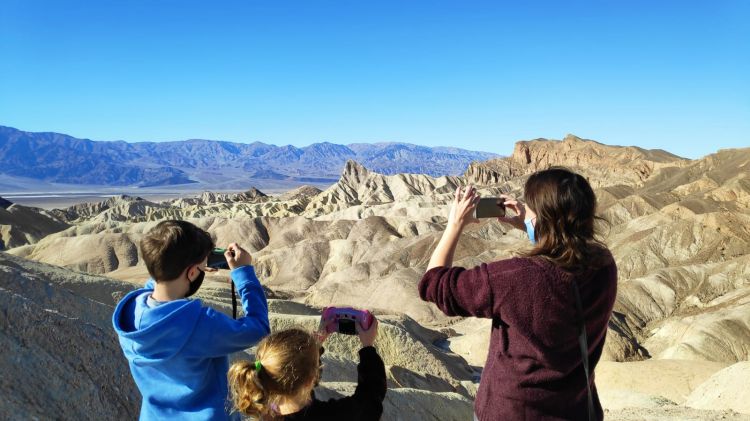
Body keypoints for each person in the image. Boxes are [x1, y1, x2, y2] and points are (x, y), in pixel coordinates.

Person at [419, 167, 617, 421]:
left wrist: (455, 225)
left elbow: (433, 284)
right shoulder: (603, 266)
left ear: (542, 219)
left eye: (531, 207)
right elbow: (564, 260)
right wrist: (534, 228)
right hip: (575, 409)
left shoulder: (514, 278)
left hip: (515, 412)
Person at [112, 220, 270, 420]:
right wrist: (243, 273)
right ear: (193, 272)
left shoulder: (131, 314)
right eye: (199, 268)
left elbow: (160, 279)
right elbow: (258, 328)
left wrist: (200, 263)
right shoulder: (198, 324)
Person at [227, 319, 386, 420]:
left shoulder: (265, 410)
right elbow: (370, 399)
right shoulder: (333, 415)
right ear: (311, 380)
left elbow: (298, 376)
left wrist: (314, 349)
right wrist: (368, 348)